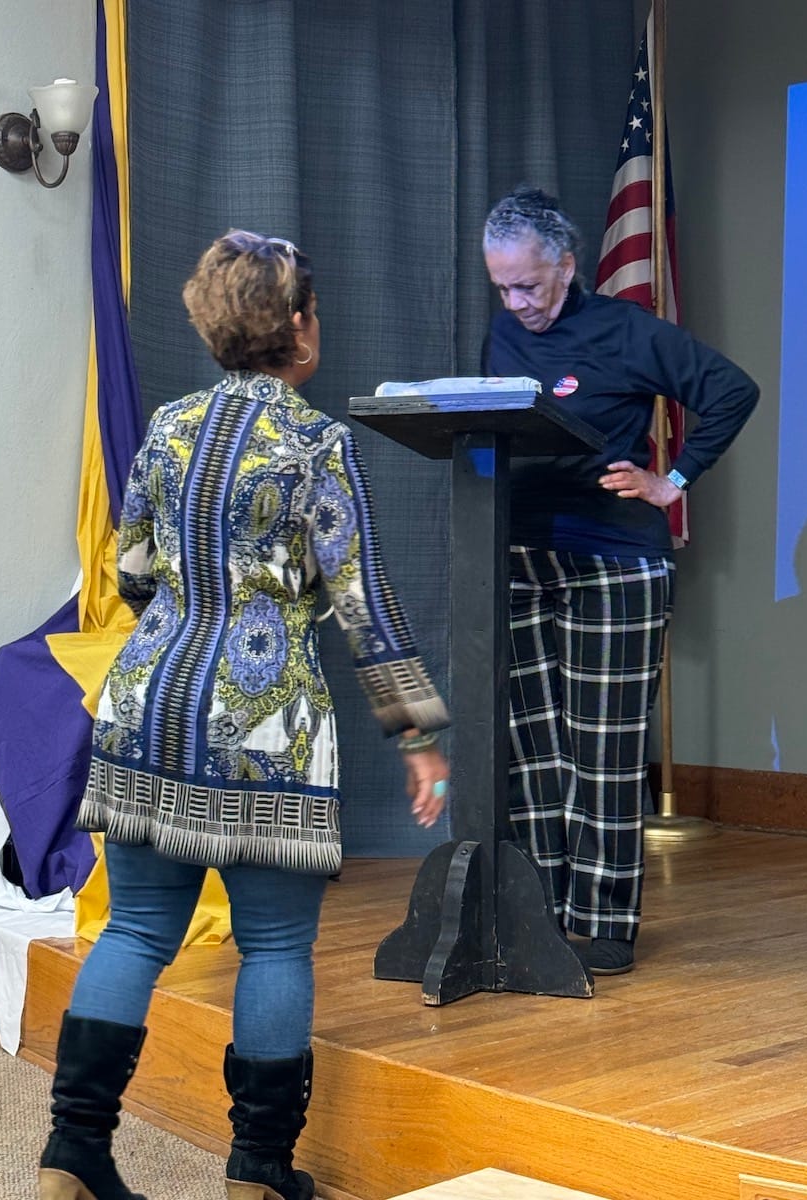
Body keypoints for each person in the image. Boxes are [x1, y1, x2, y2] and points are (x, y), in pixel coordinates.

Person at [37, 229, 450, 1200]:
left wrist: (179, 631)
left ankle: (71, 1160)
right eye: (313, 308)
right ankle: (257, 1177)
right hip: (268, 722)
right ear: (296, 325)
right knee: (273, 947)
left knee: (135, 933)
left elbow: (131, 569)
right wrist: (419, 738)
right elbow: (363, 599)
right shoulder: (316, 444)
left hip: (144, 705)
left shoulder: (170, 428)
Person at [481, 186, 758, 978]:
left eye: (529, 284)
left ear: (567, 266)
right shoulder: (502, 332)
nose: (516, 301)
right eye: (502, 286)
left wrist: (672, 481)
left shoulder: (627, 331)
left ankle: (604, 923)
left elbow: (732, 392)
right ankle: (537, 909)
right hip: (519, 553)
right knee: (535, 750)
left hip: (614, 556)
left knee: (601, 746)